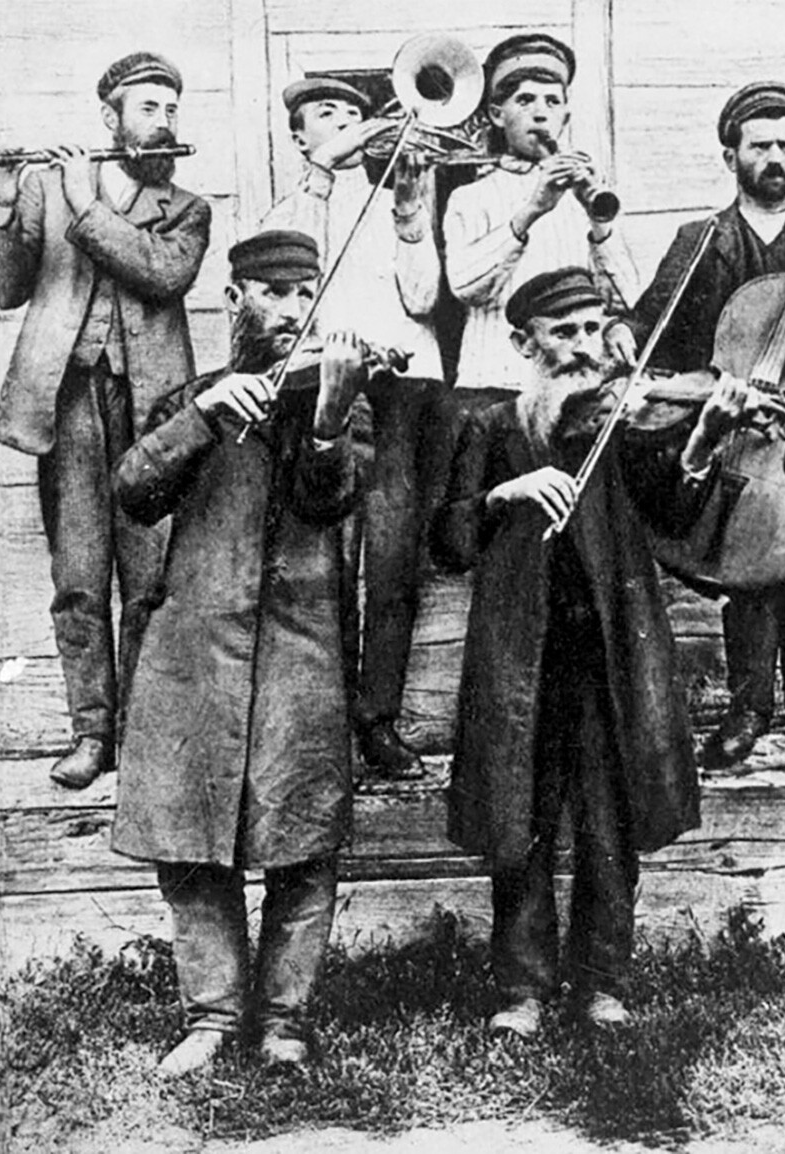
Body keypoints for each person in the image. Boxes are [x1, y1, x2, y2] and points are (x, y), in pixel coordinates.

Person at [430, 267, 758, 1036]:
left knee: (610, 824)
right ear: (522, 343)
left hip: (611, 649)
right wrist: (500, 497)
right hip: (522, 654)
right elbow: (447, 540)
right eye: (564, 332)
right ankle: (521, 989)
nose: (584, 348)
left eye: (592, 328)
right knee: (522, 823)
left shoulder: (628, 422)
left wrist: (705, 436)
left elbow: (676, 512)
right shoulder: (493, 427)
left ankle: (601, 982)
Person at [112, 229, 363, 1077]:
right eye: (275, 294)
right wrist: (202, 421)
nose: (293, 312)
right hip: (194, 646)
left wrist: (326, 427)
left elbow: (330, 503)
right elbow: (134, 493)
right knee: (189, 839)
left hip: (300, 646)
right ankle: (214, 1018)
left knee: (303, 841)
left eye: (305, 296)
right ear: (236, 301)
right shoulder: (192, 397)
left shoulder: (338, 395)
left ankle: (285, 1021)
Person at [613, 81, 785, 768]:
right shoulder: (702, 240)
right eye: (761, 146)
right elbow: (651, 325)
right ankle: (749, 706)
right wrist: (620, 334)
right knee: (745, 574)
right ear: (732, 156)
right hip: (738, 436)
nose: (776, 158)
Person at [0, 52, 211, 788]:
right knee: (79, 578)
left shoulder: (186, 208)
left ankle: (142, 733)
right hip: (68, 402)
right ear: (109, 118)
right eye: (148, 108)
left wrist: (84, 204)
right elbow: (8, 288)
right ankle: (92, 734)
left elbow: (161, 273)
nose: (163, 122)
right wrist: (2, 207)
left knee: (148, 581)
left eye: (169, 109)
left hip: (154, 412)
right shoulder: (51, 185)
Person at [262, 76, 446, 779]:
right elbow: (295, 272)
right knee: (325, 562)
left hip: (400, 392)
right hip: (323, 392)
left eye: (357, 116)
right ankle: (323, 719)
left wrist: (409, 208)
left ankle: (378, 721)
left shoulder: (393, 206)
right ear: (301, 137)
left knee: (393, 561)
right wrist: (325, 174)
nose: (349, 125)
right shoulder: (287, 209)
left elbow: (424, 295)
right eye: (327, 116)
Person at [443, 33, 639, 394]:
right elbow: (465, 287)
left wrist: (599, 222)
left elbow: (625, 299)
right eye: (525, 100)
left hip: (575, 389)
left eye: (552, 101)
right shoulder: (469, 197)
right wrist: (533, 210)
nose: (540, 111)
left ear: (565, 115)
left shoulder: (587, 194)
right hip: (493, 384)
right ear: (496, 115)